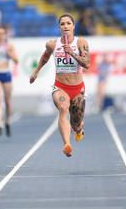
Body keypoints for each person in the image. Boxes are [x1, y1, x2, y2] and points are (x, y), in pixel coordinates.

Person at [29, 13, 91, 157]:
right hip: (60, 87)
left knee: (76, 123)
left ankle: (78, 129)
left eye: (68, 23)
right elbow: (45, 57)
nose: (65, 26)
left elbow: (87, 64)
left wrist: (72, 54)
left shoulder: (81, 42)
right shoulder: (52, 44)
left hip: (78, 89)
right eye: (62, 24)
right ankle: (67, 145)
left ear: (73, 26)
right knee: (63, 108)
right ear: (59, 27)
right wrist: (36, 72)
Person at [0, 26, 18, 136]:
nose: (0, 35)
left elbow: (16, 60)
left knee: (7, 102)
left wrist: (8, 53)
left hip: (6, 74)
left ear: (5, 35)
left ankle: (7, 121)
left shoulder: (9, 46)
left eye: (2, 33)